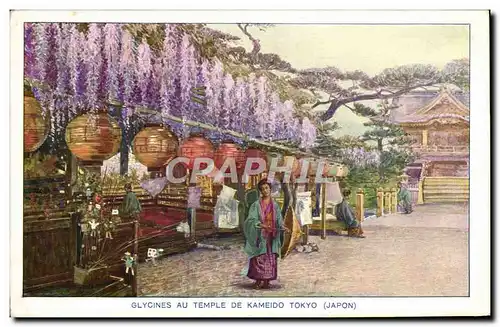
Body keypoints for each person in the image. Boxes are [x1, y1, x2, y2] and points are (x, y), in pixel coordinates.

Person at [242, 179, 287, 289]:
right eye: (262, 189)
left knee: (270, 257)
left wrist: (283, 227)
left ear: (270, 189)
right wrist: (261, 225)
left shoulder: (275, 205)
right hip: (260, 235)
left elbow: (279, 220)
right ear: (260, 191)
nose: (265, 191)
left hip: (272, 235)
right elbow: (250, 220)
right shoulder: (255, 205)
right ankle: (258, 280)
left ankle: (267, 281)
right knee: (258, 257)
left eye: (266, 188)